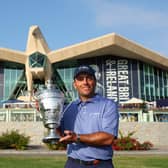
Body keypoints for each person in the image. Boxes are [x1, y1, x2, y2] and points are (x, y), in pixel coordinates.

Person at [58, 65, 119, 168]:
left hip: (100, 164)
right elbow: (62, 136)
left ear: (95, 82)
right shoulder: (68, 108)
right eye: (80, 79)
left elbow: (108, 138)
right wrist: (46, 113)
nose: (85, 82)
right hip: (73, 163)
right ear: (75, 84)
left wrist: (77, 137)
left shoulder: (108, 105)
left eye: (89, 78)